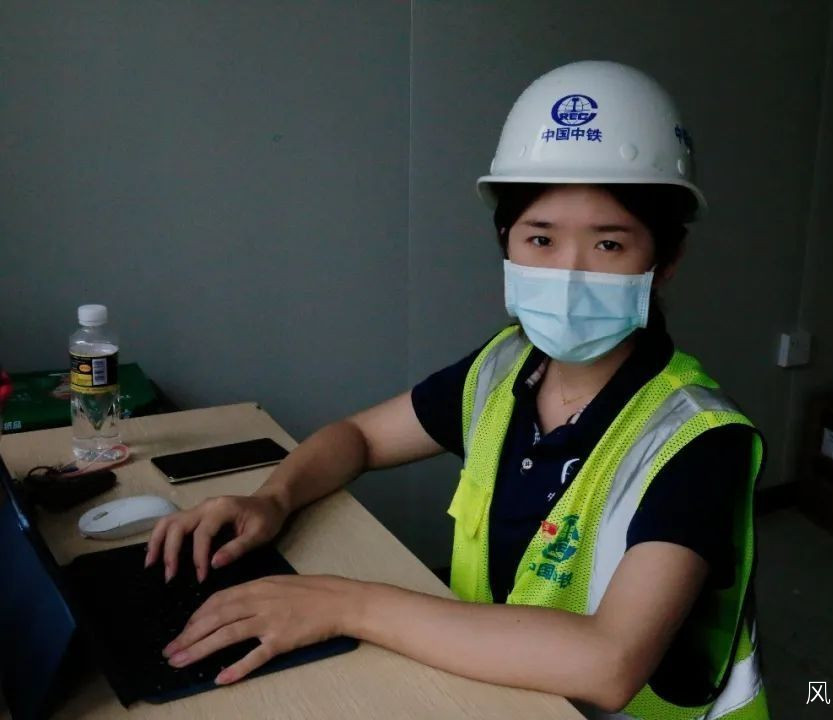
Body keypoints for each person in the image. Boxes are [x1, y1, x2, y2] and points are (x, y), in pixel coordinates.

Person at [145, 60, 769, 720]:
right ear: (506, 245)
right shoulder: (504, 367)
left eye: (609, 245)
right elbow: (358, 438)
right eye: (540, 239)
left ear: (664, 262)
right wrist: (274, 498)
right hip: (489, 691)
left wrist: (345, 605)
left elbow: (609, 665)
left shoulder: (697, 441)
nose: (569, 273)